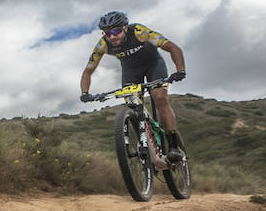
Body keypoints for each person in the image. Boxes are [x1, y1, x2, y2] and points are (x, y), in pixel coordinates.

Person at [79, 10, 188, 159]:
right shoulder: (103, 44)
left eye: (116, 31)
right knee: (132, 107)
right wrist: (85, 93)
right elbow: (88, 71)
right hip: (131, 72)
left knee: (159, 98)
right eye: (107, 33)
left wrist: (180, 70)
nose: (112, 36)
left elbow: (172, 48)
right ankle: (146, 142)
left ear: (125, 28)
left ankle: (173, 145)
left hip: (153, 65)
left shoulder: (139, 31)